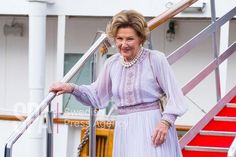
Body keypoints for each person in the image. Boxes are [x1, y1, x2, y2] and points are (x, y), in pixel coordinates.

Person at [49, 10, 188, 157]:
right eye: (119, 38)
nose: (123, 44)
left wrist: (165, 123)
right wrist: (71, 88)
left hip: (151, 126)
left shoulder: (155, 59)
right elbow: (96, 95)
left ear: (141, 38)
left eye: (129, 39)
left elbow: (176, 96)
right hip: (124, 128)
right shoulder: (112, 63)